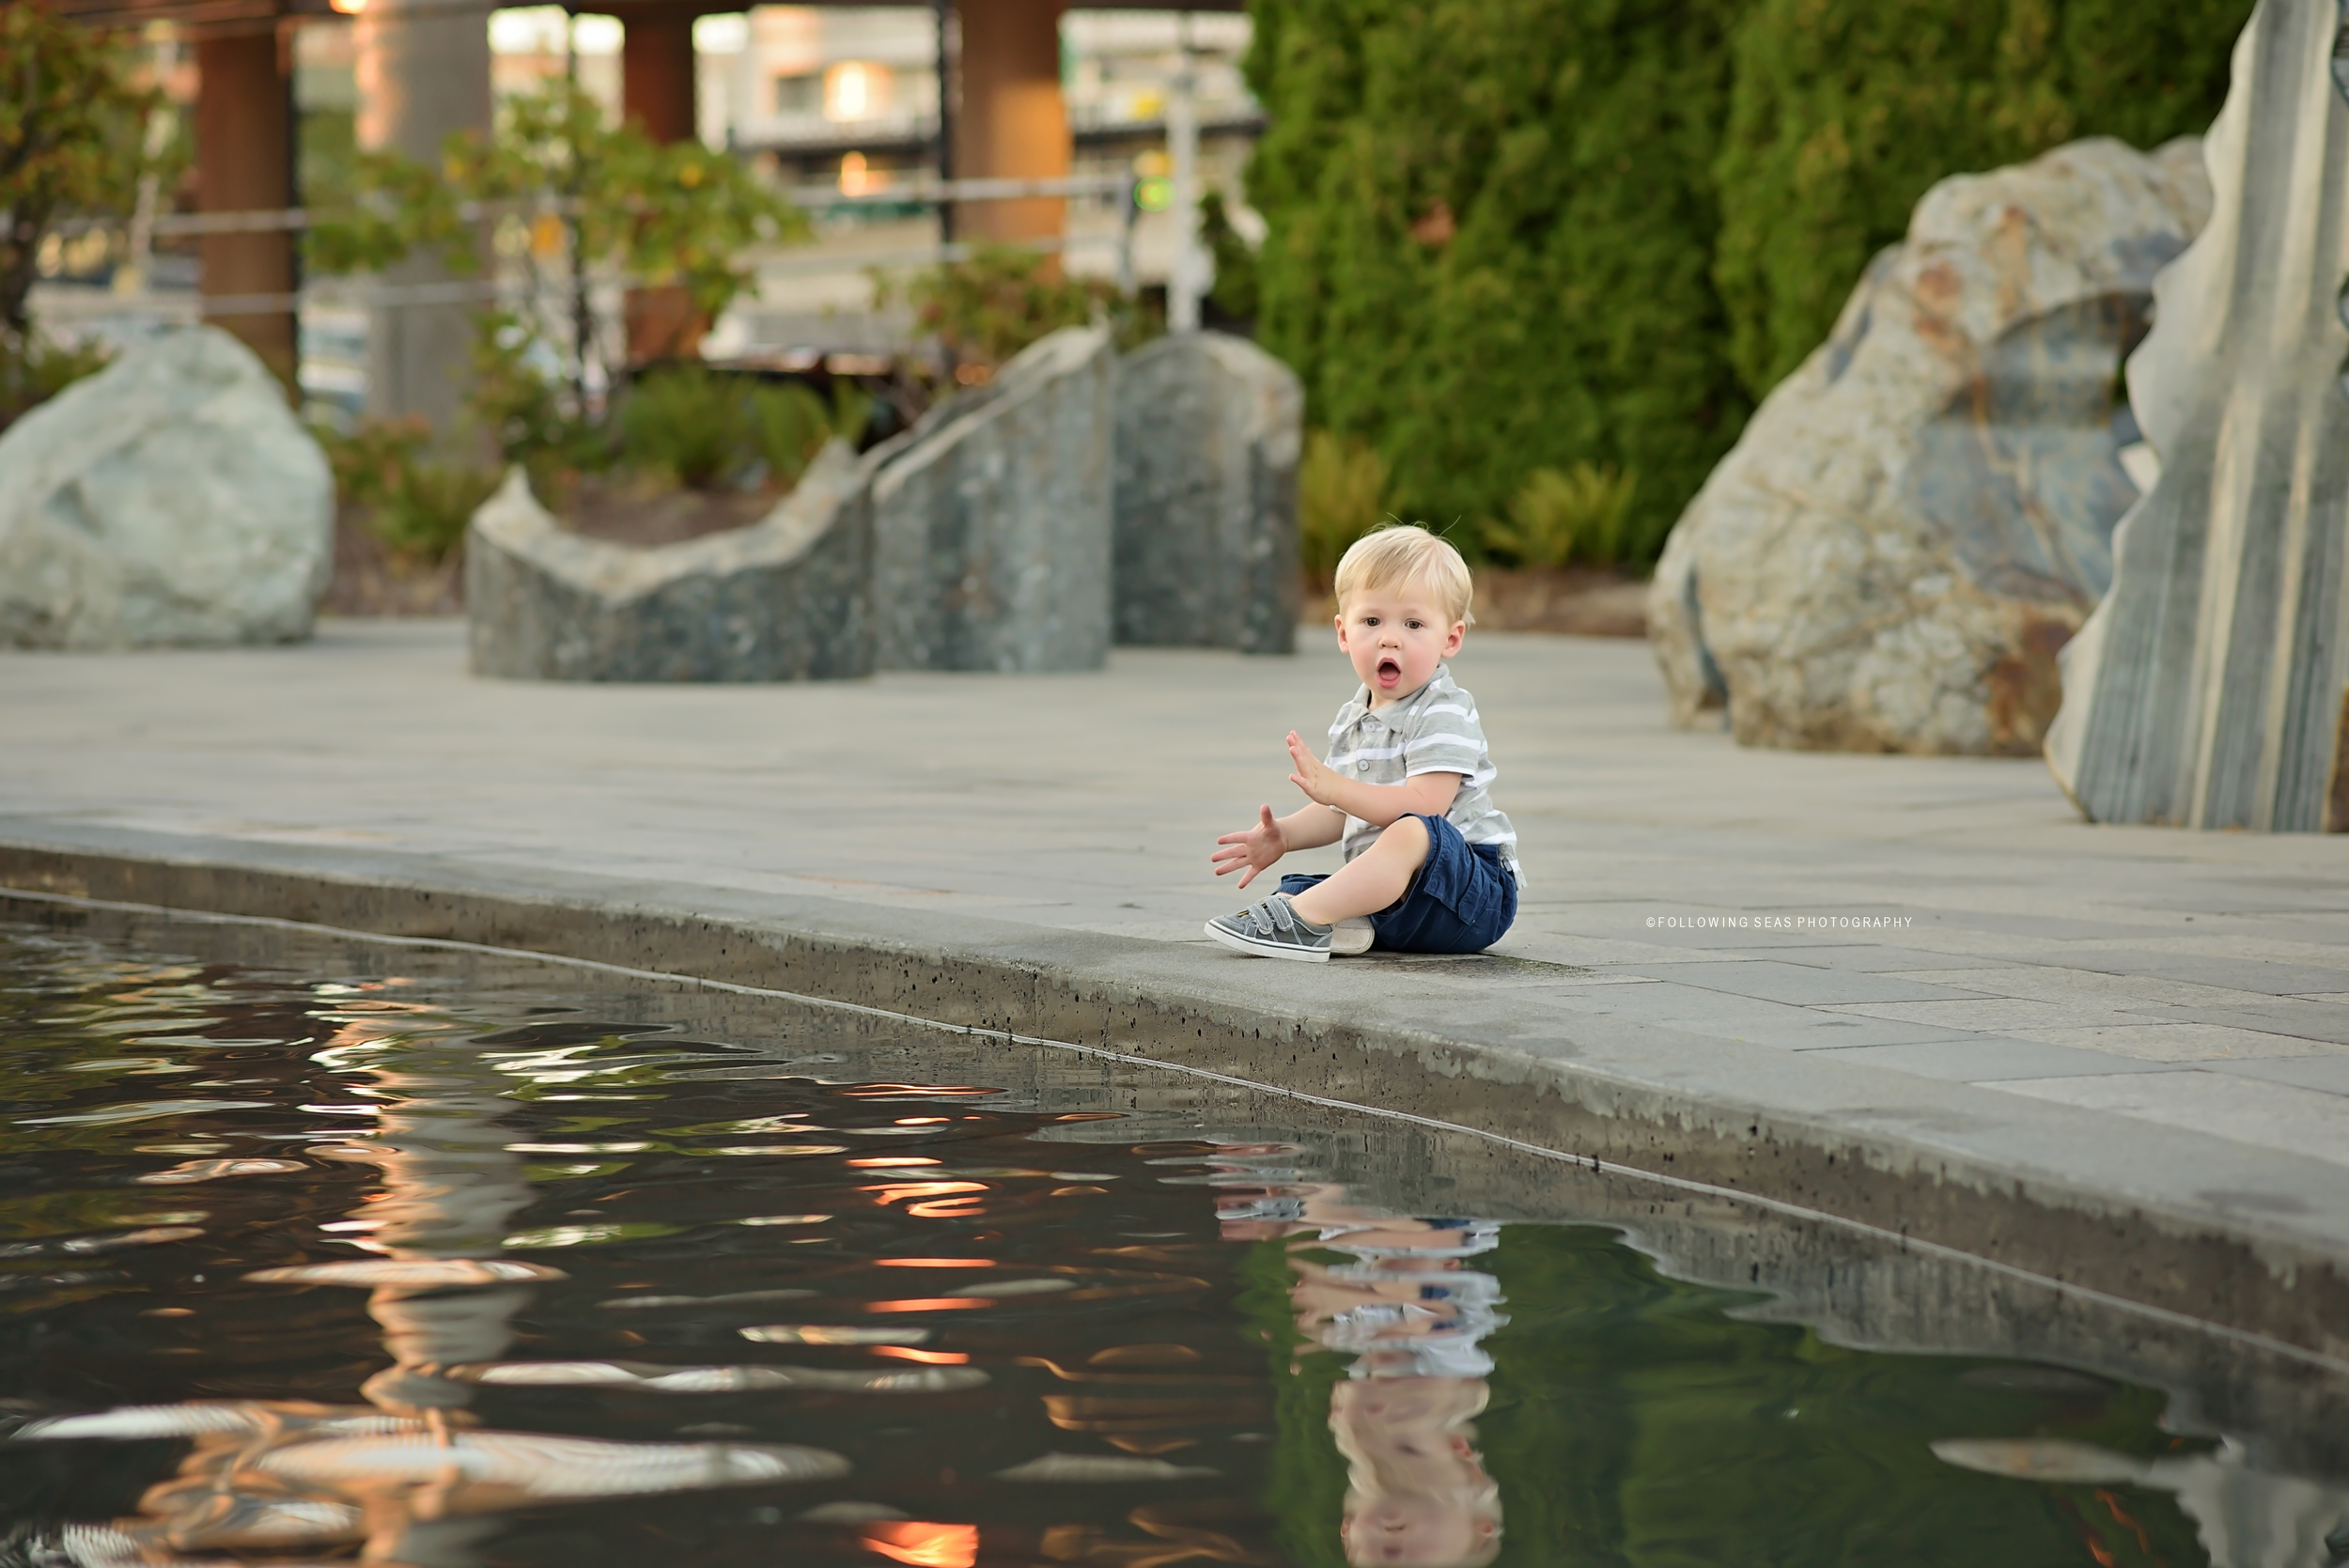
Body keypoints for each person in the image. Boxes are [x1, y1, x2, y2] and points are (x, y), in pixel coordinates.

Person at [1206, 524, 1521, 962]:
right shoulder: (1353, 717)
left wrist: (1337, 789)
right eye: (1371, 621)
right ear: (1343, 633)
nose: (1389, 637)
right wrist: (1285, 836)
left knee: (1413, 829)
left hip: (1469, 895)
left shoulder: (1443, 709)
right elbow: (1341, 810)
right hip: (1404, 901)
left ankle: (1301, 919)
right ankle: (1340, 923)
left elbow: (1426, 805)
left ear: (1450, 638)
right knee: (1305, 883)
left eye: (1413, 624)